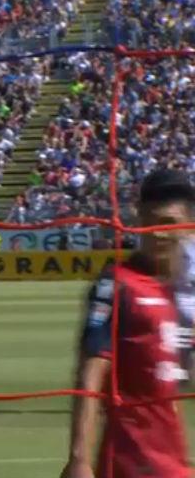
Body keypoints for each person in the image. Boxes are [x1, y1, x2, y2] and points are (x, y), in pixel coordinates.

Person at [60, 169, 194, 478]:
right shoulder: (117, 285)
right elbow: (90, 375)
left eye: (169, 224)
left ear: (187, 227)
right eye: (151, 222)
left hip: (173, 462)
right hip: (130, 462)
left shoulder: (177, 295)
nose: (159, 233)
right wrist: (79, 460)